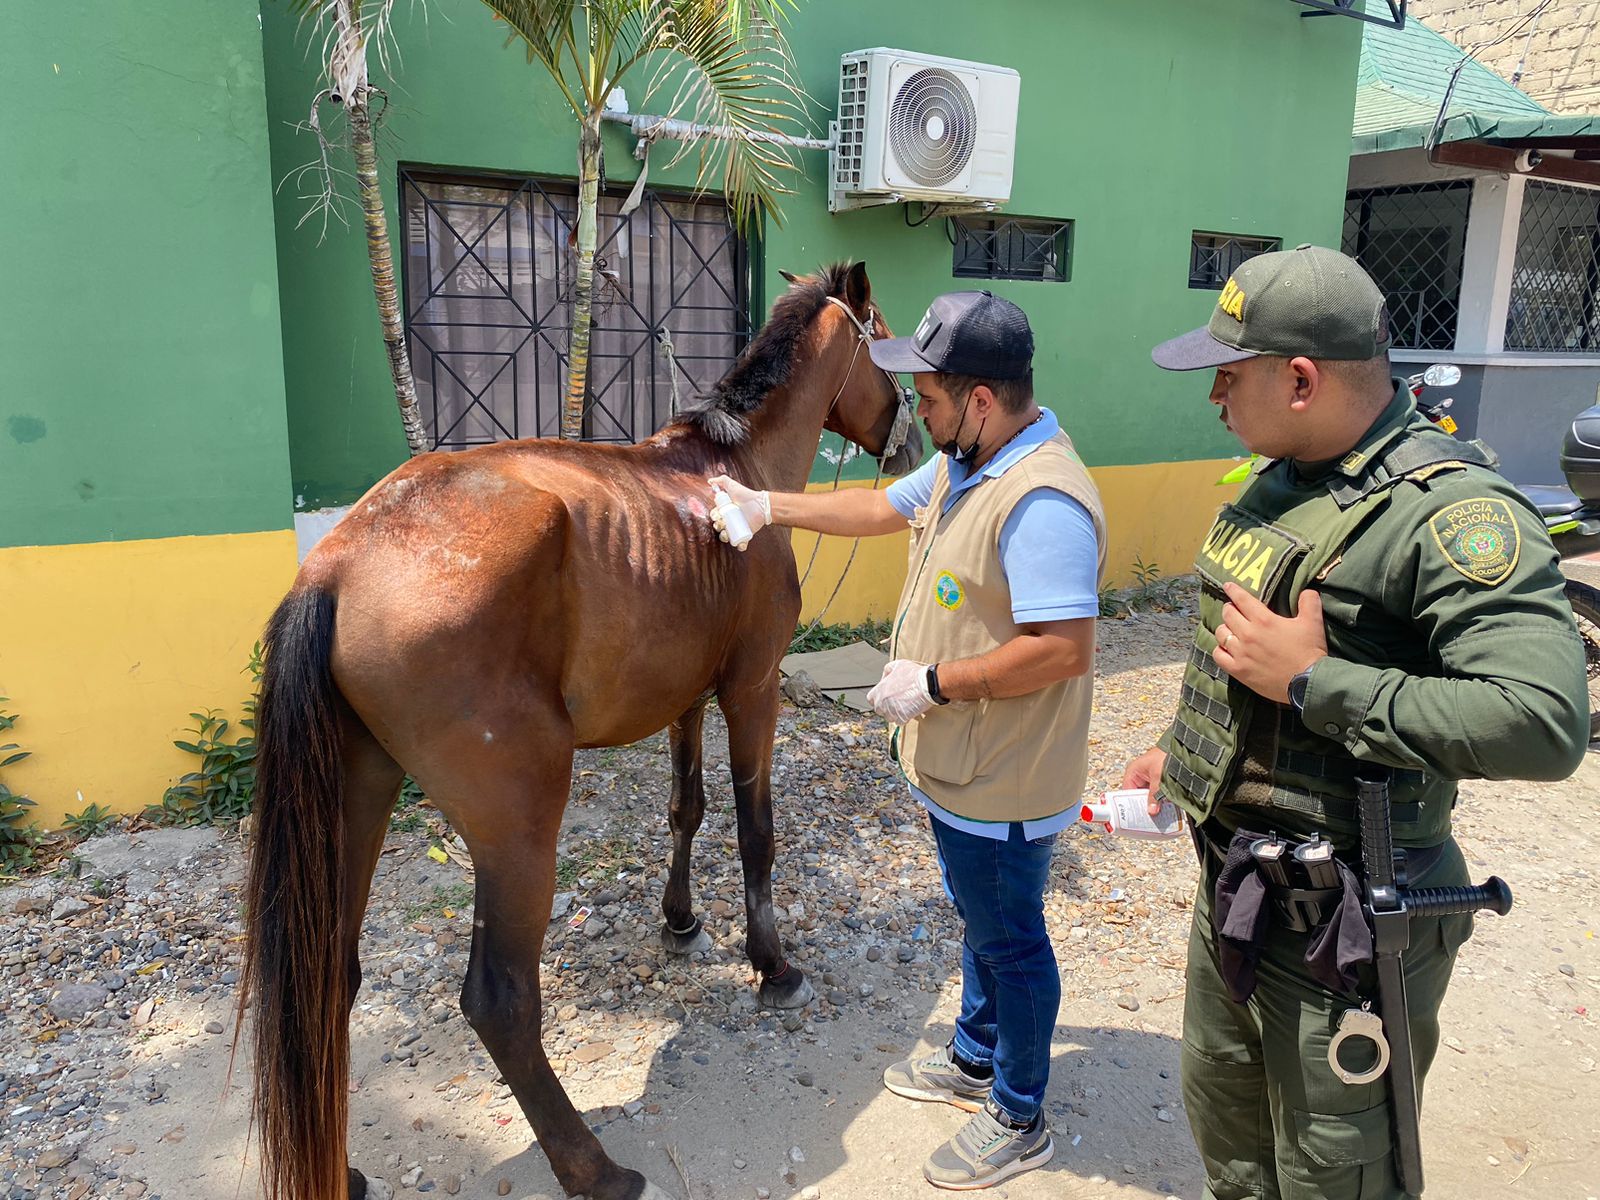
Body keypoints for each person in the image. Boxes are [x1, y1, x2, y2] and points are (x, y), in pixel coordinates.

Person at [1121, 245, 1590, 1199]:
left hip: (1344, 935)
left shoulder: (1451, 514)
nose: (1215, 397)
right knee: (1234, 1146)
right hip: (1237, 897)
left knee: (1338, 1178)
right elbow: (1240, 657)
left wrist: (1317, 683)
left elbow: (1544, 722)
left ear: (1299, 379)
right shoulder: (1289, 477)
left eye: (1228, 374)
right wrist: (1183, 756)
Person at [709, 289, 1105, 1189]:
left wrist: (934, 683)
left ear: (979, 400)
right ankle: (972, 1057)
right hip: (964, 767)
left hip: (1007, 773)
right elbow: (882, 508)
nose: (914, 417)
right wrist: (766, 506)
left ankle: (1018, 1108)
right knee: (981, 919)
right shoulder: (969, 462)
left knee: (1011, 938)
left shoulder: (1041, 499)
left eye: (926, 399)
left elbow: (1064, 649)